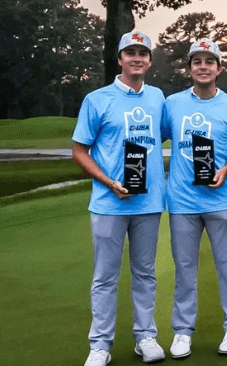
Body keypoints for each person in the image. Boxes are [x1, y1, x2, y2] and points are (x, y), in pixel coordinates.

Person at [72, 31, 167, 366]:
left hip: (149, 202)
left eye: (143, 53)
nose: (137, 58)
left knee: (145, 272)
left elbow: (164, 134)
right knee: (105, 276)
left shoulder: (157, 98)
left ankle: (146, 337)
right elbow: (79, 150)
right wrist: (108, 181)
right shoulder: (97, 99)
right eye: (130, 53)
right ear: (119, 59)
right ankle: (100, 345)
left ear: (150, 60)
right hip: (109, 202)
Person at [162, 39, 227, 359]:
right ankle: (182, 332)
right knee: (184, 269)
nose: (203, 66)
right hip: (182, 202)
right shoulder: (171, 104)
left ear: (219, 69)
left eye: (209, 61)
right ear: (189, 68)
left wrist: (225, 169)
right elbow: (151, 137)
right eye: (197, 61)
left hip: (221, 201)